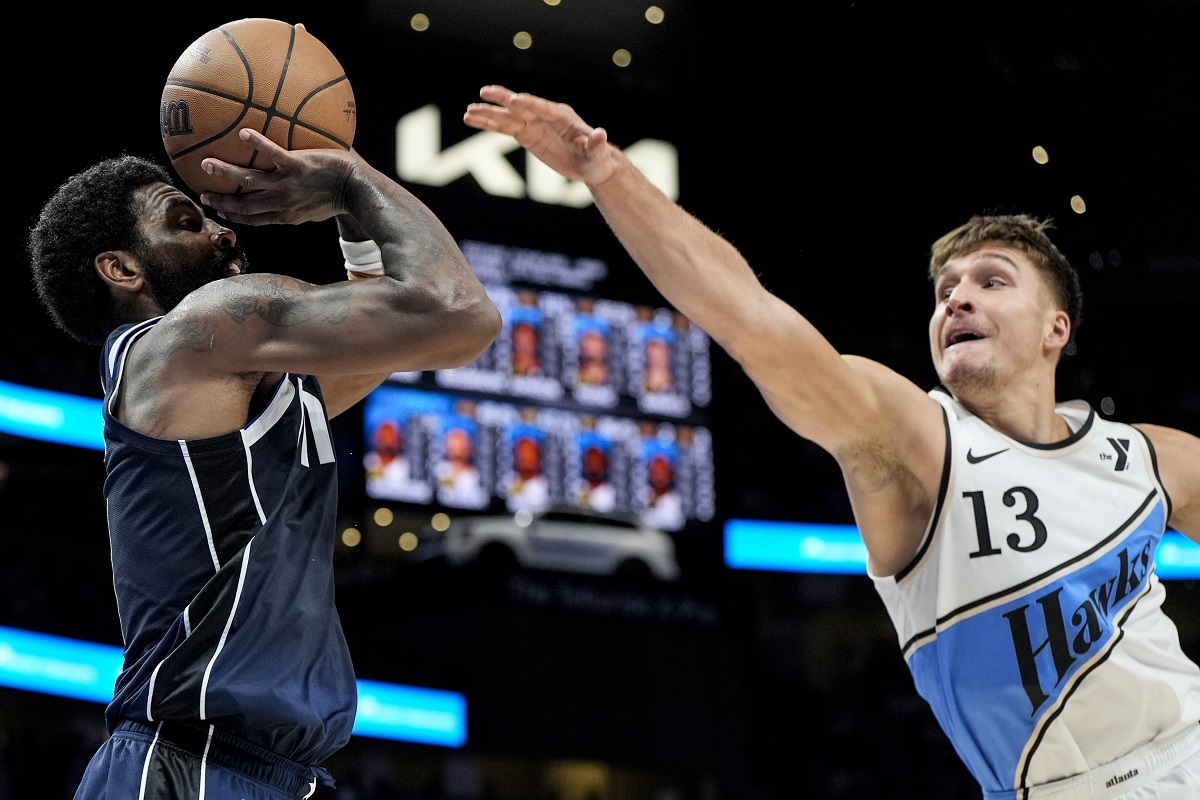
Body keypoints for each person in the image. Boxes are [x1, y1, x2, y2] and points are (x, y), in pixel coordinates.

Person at [463, 86, 1200, 797]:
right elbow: (749, 319)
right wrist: (605, 170)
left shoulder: (1145, 456)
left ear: (1055, 330)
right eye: (945, 291)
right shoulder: (918, 440)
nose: (957, 298)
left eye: (992, 281)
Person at [29, 117, 501, 797]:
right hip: (183, 766)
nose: (222, 231)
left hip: (281, 776)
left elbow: (409, 334)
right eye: (185, 221)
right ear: (123, 268)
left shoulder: (233, 379)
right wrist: (349, 177)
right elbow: (463, 318)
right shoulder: (204, 327)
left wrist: (348, 203)